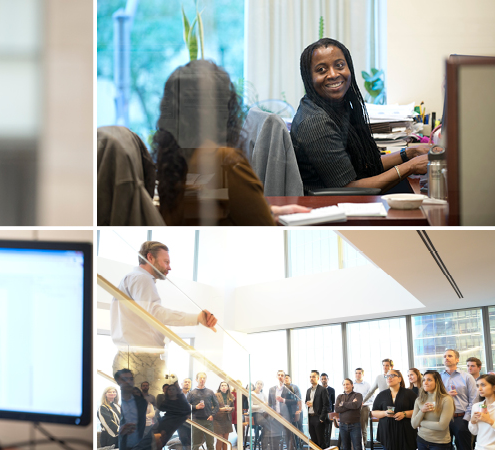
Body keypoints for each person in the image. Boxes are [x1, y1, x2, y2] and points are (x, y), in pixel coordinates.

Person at [152, 59, 310, 226]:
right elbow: (264, 229)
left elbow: (207, 212)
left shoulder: (171, 161)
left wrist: (268, 211)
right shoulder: (224, 161)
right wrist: (266, 215)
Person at [290, 38, 428, 194]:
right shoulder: (316, 122)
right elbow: (349, 189)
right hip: (329, 210)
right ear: (309, 78)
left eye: (339, 65)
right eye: (321, 69)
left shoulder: (337, 108)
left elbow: (364, 166)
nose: (333, 74)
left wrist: (410, 153)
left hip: (347, 203)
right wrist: (411, 166)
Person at [111, 241, 217, 395]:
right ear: (150, 258)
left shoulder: (131, 279)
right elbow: (155, 313)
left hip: (133, 358)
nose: (169, 267)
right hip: (140, 360)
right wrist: (197, 318)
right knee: (177, 408)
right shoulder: (142, 278)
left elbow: (146, 318)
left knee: (142, 413)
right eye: (166, 261)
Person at [371, 369, 417, 450]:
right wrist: (385, 413)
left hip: (406, 433)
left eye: (392, 376)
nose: (389, 378)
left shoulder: (409, 393)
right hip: (387, 433)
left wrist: (404, 414)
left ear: (399, 379)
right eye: (387, 376)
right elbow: (374, 412)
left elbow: (418, 411)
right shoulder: (381, 395)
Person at [441, 349, 478, 450]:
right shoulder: (438, 378)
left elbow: (474, 400)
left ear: (457, 359)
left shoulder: (467, 377)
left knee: (464, 447)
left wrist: (466, 419)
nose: (446, 358)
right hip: (442, 419)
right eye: (445, 356)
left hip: (461, 418)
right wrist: (446, 396)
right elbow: (433, 398)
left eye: (449, 356)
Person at [411, 370, 454, 450]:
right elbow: (414, 424)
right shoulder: (419, 400)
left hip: (439, 443)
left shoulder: (446, 399)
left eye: (429, 380)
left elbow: (442, 426)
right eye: (424, 380)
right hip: (421, 441)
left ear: (437, 382)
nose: (425, 383)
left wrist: (421, 422)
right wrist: (422, 411)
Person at [188, 372, 219, 450]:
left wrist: (213, 415)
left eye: (204, 378)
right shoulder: (191, 393)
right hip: (195, 421)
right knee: (195, 445)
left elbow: (217, 405)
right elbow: (186, 406)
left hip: (208, 420)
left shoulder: (210, 392)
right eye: (200, 378)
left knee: (210, 444)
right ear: (196, 379)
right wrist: (195, 407)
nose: (202, 380)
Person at [268, 370, 297, 450]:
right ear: (276, 377)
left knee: (287, 436)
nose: (280, 376)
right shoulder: (271, 389)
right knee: (275, 438)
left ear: (284, 378)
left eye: (282, 375)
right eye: (279, 375)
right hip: (275, 417)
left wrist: (283, 400)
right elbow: (269, 404)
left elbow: (294, 401)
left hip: (286, 416)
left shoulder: (289, 388)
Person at [335, 378, 363, 450]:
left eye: (347, 384)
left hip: (355, 425)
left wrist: (343, 403)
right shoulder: (340, 396)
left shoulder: (358, 395)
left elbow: (356, 405)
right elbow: (337, 409)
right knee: (345, 447)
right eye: (344, 384)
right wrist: (351, 405)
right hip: (343, 425)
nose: (345, 386)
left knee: (357, 447)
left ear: (352, 385)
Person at [305, 370, 331, 448]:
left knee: (321, 441)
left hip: (318, 417)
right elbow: (306, 401)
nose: (311, 378)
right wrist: (307, 403)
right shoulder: (308, 390)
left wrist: (321, 418)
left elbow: (326, 405)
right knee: (313, 441)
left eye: (313, 377)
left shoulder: (322, 389)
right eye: (310, 377)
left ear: (318, 378)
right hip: (310, 417)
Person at [469, 374, 495, 450]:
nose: (479, 389)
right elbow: (474, 432)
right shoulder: (476, 406)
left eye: (483, 385)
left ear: (494, 387)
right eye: (477, 386)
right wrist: (472, 422)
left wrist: (489, 421)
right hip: (479, 447)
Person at [353, 367, 373, 449]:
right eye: (356, 373)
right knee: (353, 428)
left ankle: (363, 446)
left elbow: (371, 398)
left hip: (364, 408)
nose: (358, 375)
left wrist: (363, 403)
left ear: (363, 374)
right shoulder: (351, 384)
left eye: (359, 373)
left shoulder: (367, 385)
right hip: (353, 409)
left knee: (363, 428)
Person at [286, 374, 305, 449]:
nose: (285, 379)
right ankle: (292, 446)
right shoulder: (282, 389)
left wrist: (299, 410)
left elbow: (298, 398)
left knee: (299, 429)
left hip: (296, 411)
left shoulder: (295, 387)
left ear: (290, 380)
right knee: (290, 432)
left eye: (287, 378)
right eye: (285, 378)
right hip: (287, 413)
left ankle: (300, 445)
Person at [214, 381, 234, 450]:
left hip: (227, 419)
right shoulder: (216, 395)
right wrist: (221, 409)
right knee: (219, 440)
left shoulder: (231, 396)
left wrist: (230, 408)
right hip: (218, 420)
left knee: (226, 441)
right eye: (222, 385)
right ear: (220, 387)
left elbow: (233, 407)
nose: (223, 387)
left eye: (225, 385)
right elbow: (212, 408)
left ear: (228, 387)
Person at [321, 373, 336, 447]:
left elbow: (333, 402)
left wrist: (332, 413)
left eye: (325, 378)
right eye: (322, 379)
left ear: (328, 379)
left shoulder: (331, 390)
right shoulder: (318, 389)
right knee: (321, 431)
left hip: (329, 413)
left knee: (328, 431)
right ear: (320, 380)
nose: (324, 380)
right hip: (320, 413)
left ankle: (328, 446)